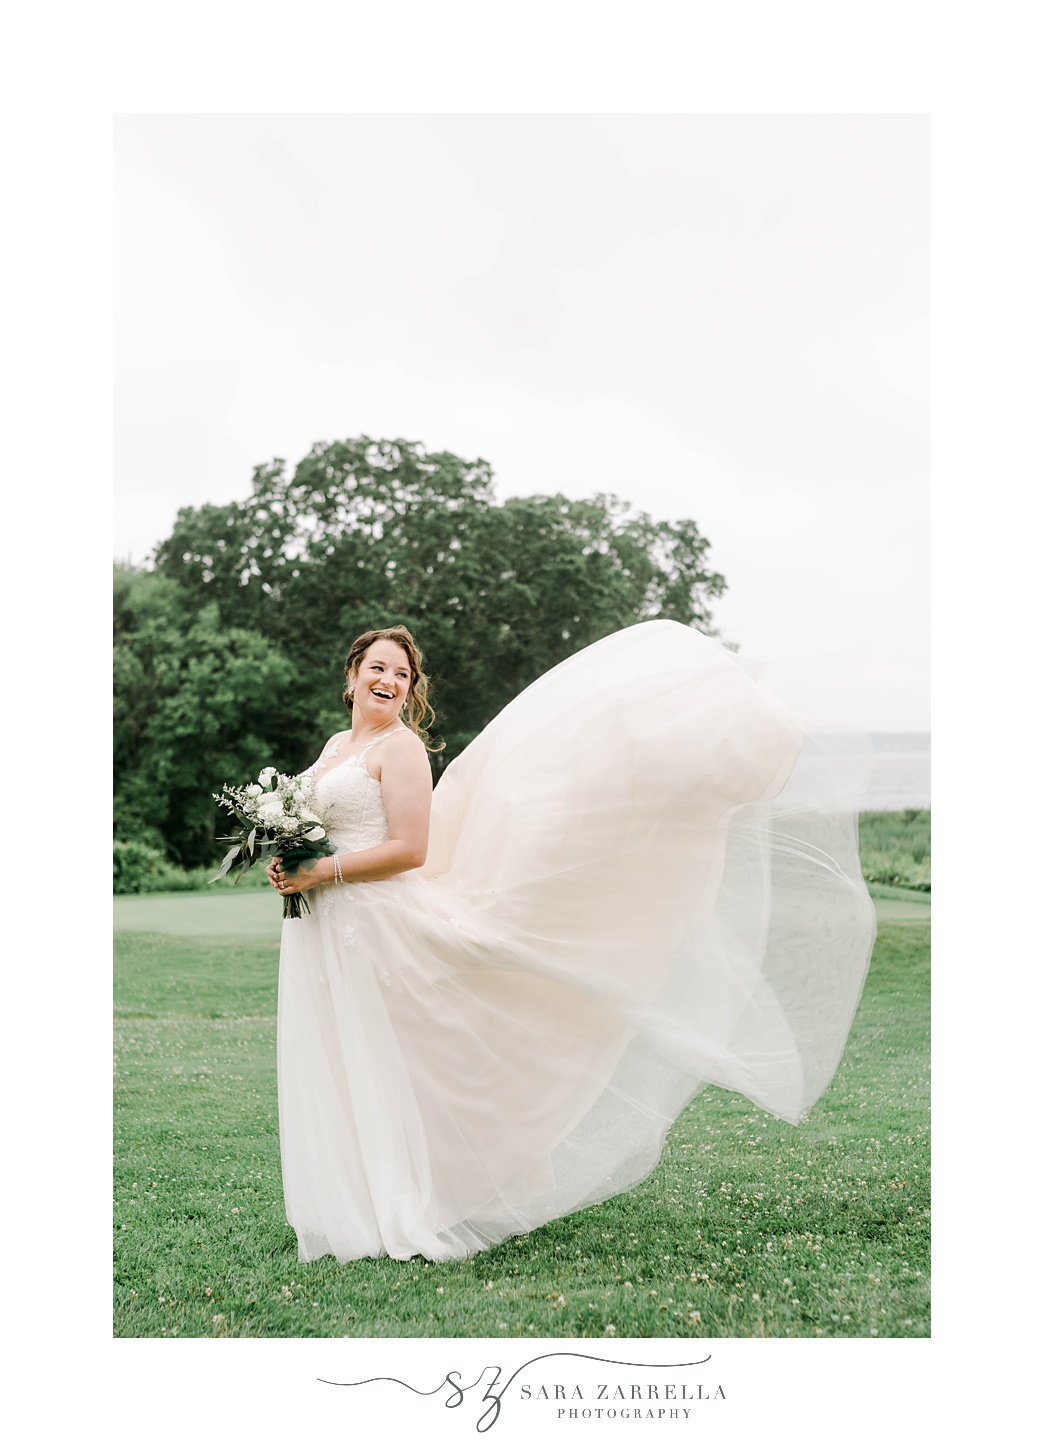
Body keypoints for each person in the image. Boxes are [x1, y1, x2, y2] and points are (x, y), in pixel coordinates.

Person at [267, 621, 875, 1264]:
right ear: (352, 675)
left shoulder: (402, 749)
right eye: (379, 668)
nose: (389, 681)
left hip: (378, 924)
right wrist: (288, 859)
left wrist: (322, 871)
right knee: (345, 1062)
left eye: (402, 674)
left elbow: (410, 850)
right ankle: (357, 1206)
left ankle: (418, 1202)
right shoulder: (338, 745)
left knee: (402, 1061)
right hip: (327, 926)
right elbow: (321, 825)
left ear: (411, 691)